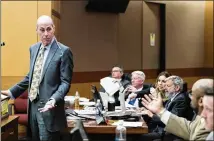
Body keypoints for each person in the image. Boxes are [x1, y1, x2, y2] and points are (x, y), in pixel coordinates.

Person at [1, 15, 74, 141]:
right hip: (33, 107)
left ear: (54, 28)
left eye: (49, 29)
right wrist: (12, 91)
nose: (46, 33)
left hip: (50, 109)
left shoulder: (64, 51)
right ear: (36, 30)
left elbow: (65, 82)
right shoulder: (33, 49)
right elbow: (32, 76)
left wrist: (54, 99)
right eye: (42, 30)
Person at [141, 79, 212, 140]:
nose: (190, 97)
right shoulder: (200, 116)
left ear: (201, 101)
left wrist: (155, 113)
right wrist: (160, 111)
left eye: (192, 93)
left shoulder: (180, 99)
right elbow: (190, 129)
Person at [141, 75, 193, 141]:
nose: (165, 88)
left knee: (138, 137)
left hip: (169, 134)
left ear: (177, 87)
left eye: (168, 86)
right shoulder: (172, 97)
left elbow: (172, 122)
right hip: (161, 130)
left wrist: (151, 115)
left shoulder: (181, 99)